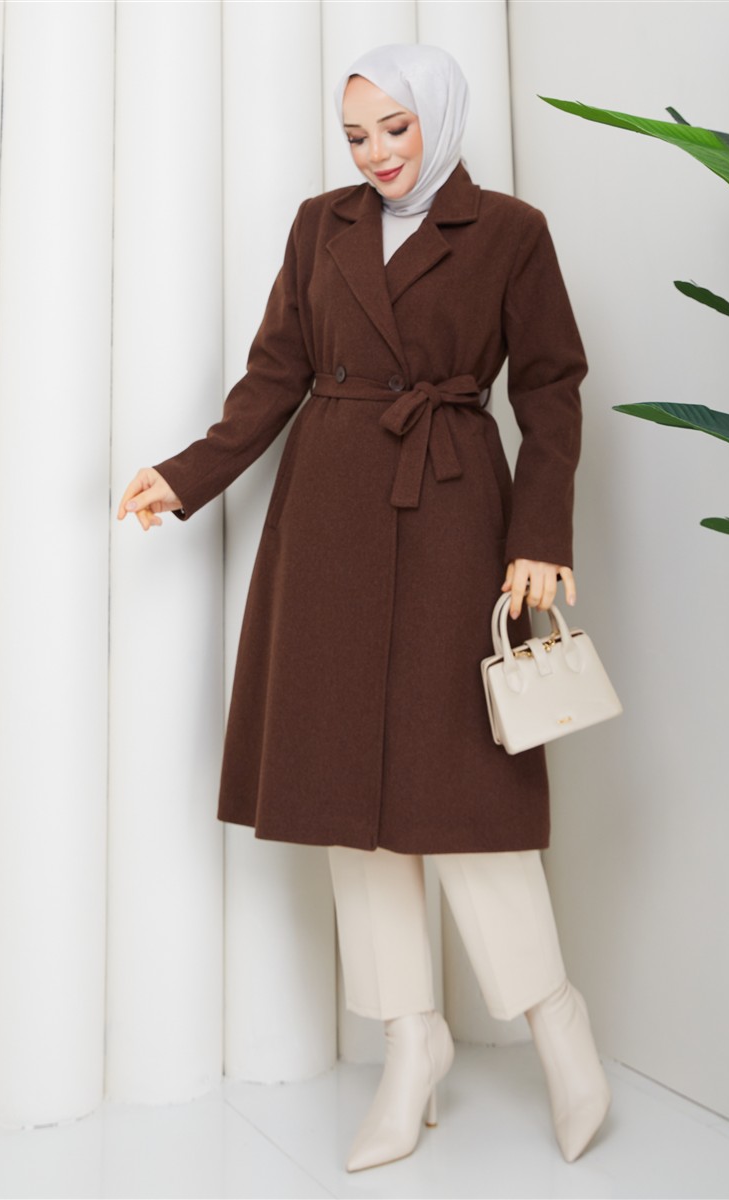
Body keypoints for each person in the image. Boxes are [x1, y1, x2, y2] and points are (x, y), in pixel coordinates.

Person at [117, 43, 611, 1172]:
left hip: (453, 517)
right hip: (331, 521)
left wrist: (539, 536)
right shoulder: (320, 226)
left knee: (467, 797)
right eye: (356, 135)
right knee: (351, 796)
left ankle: (556, 1020)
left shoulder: (512, 232)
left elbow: (551, 389)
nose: (377, 154)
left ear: (439, 117)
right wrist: (186, 476)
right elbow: (274, 375)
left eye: (397, 127)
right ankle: (410, 1041)